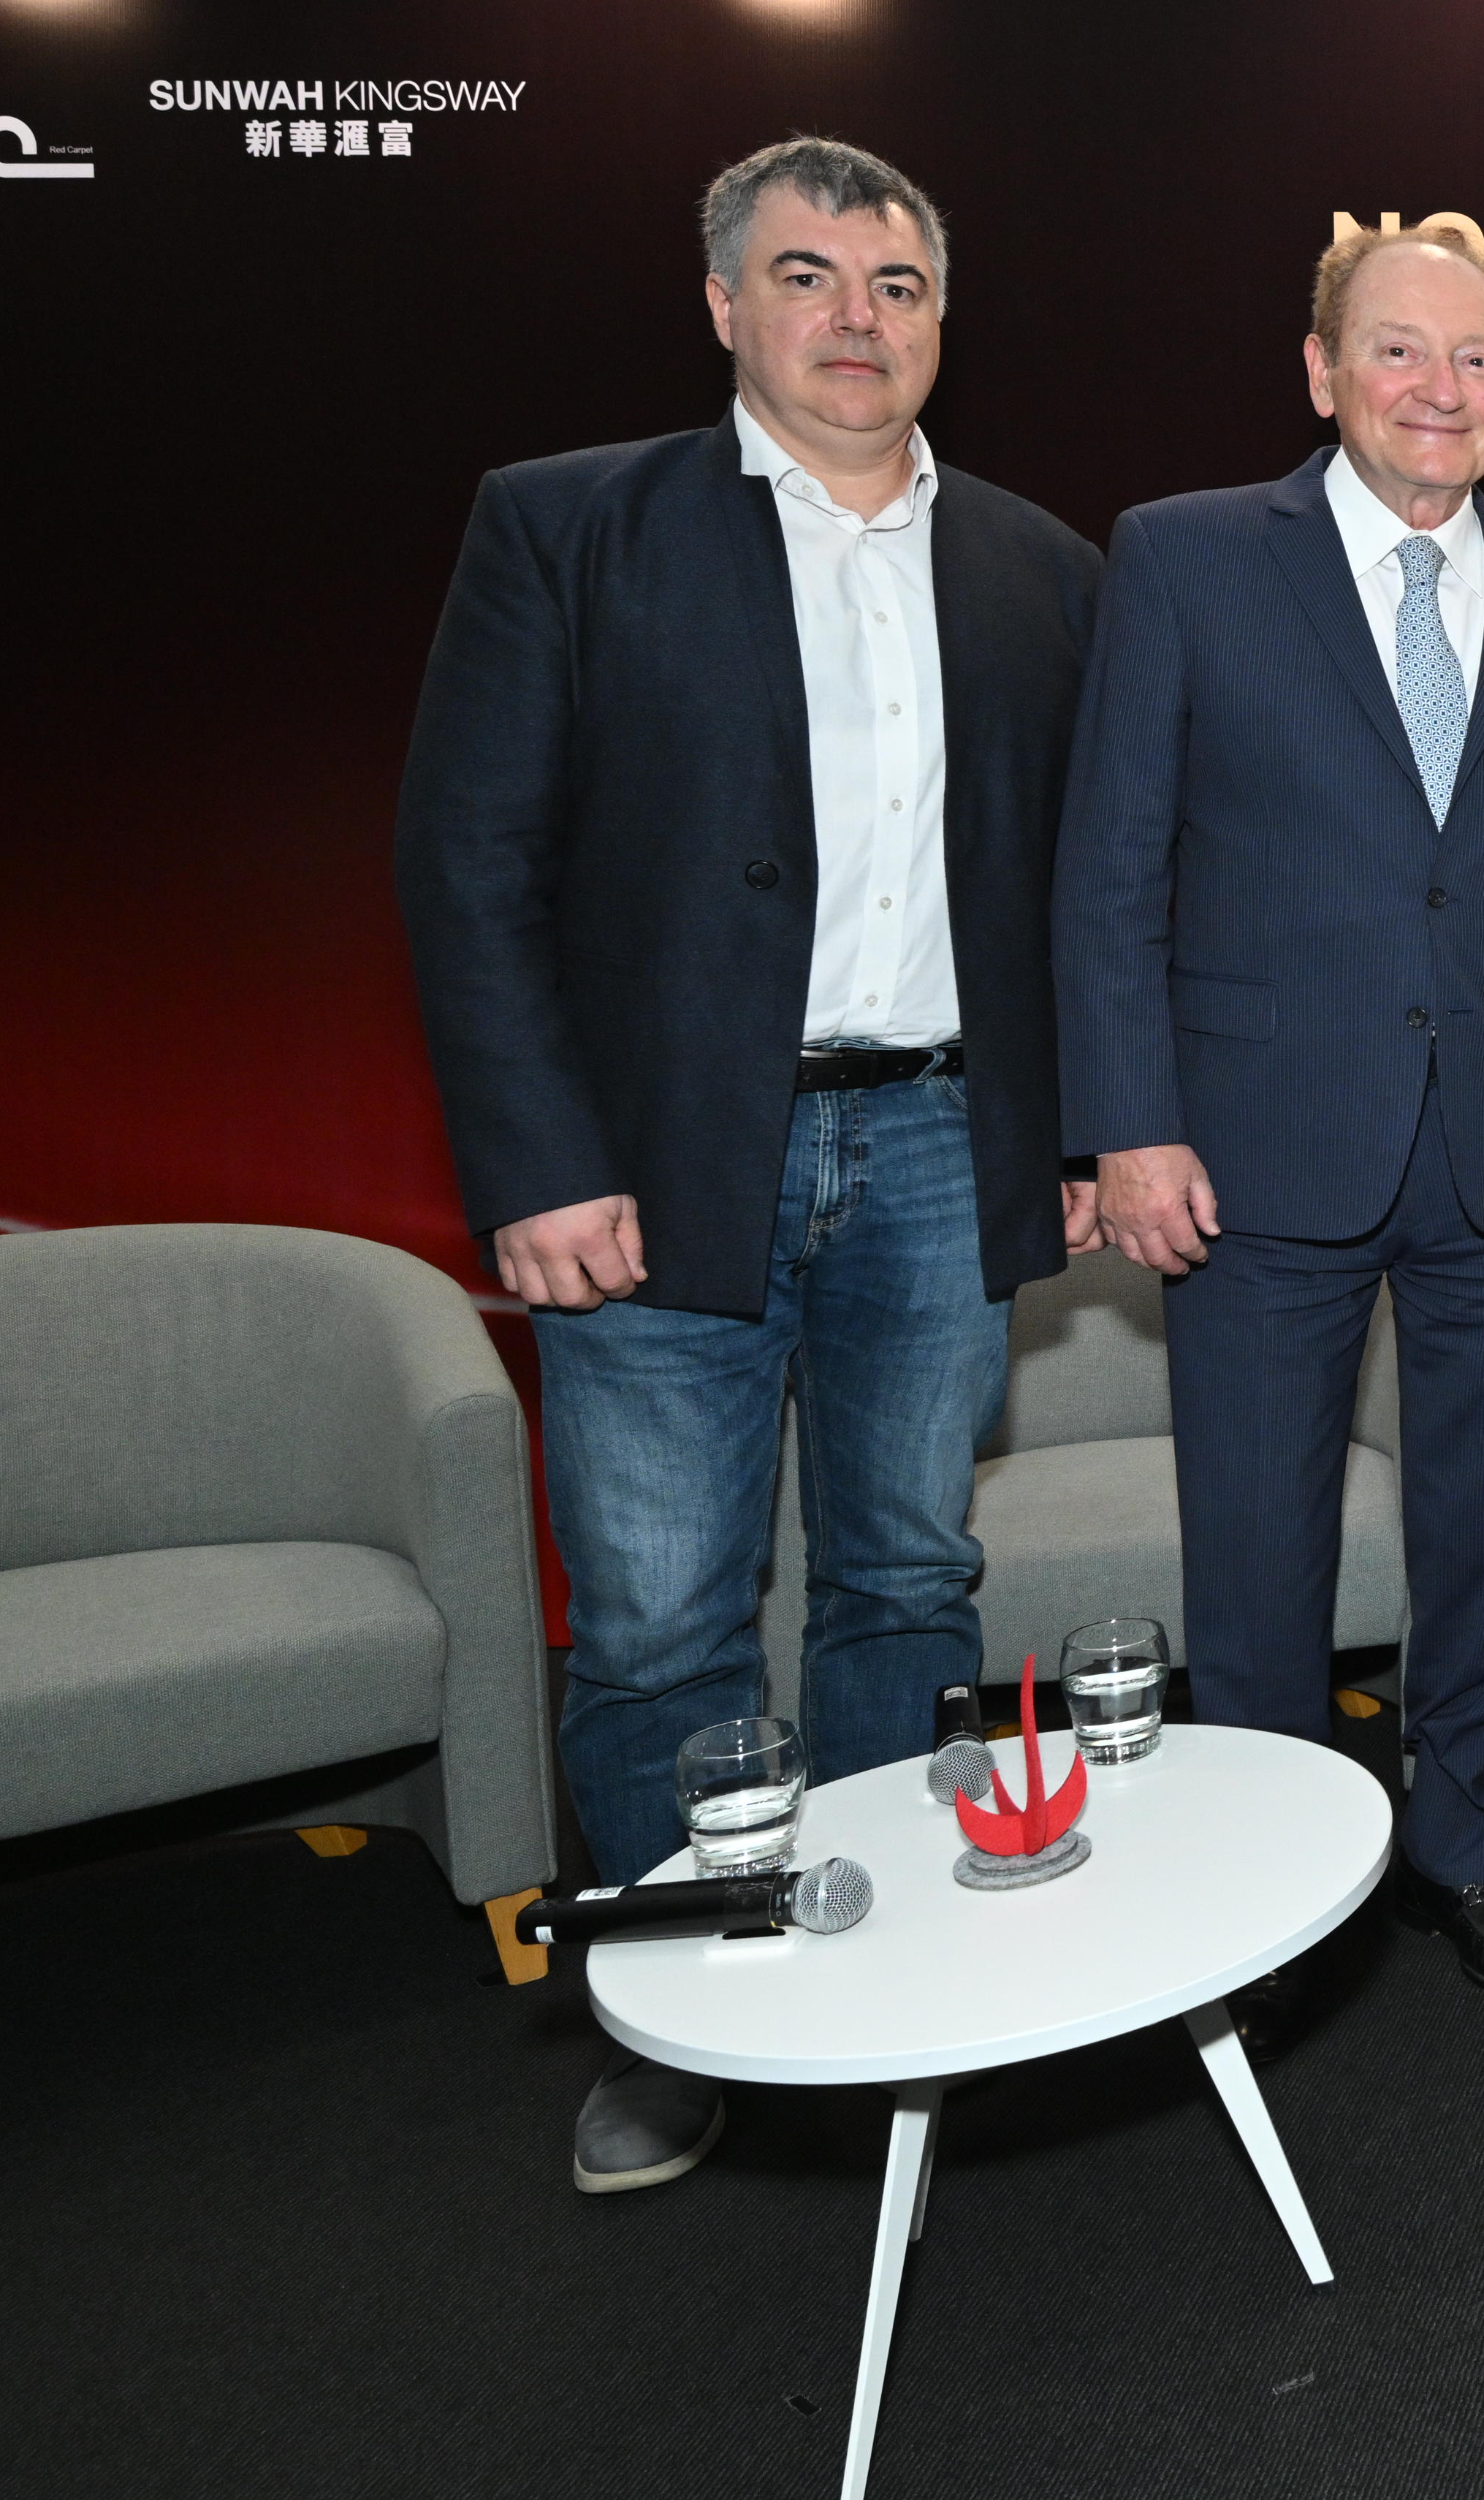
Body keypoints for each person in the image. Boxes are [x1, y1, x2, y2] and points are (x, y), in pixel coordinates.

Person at [393, 137, 1103, 2192]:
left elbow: (1077, 890)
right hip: (654, 1173)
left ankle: (877, 1997)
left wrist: (1054, 1140)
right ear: (725, 306)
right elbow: (470, 868)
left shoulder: (1042, 568)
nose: (853, 318)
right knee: (660, 1626)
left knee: (904, 1586)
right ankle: (687, 2019)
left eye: (893, 283)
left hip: (936, 1146)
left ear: (940, 319)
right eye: (807, 276)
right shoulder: (568, 530)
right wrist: (538, 1162)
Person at [1053, 224, 1484, 2005]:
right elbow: (1111, 868)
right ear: (1321, 373)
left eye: (1478, 360)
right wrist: (1126, 1124)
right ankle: (1266, 1883)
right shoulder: (1182, 559)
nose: (1441, 390)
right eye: (1400, 353)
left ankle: (1467, 1848)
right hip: (1248, 1149)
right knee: (1258, 1549)